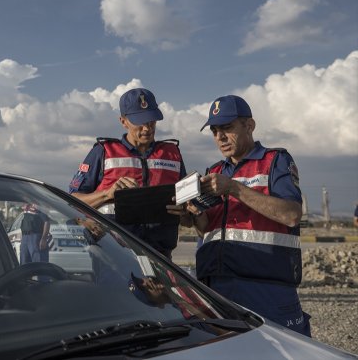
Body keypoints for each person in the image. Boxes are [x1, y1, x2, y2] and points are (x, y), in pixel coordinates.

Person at [169, 95, 311, 336]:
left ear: (249, 126)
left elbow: (291, 215)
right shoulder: (213, 171)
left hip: (266, 289)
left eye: (227, 128)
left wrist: (234, 188)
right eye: (214, 131)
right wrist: (191, 215)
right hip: (216, 289)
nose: (220, 137)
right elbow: (207, 231)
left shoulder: (275, 161)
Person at [69, 88, 186, 259]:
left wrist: (185, 209)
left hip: (160, 257)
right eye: (140, 122)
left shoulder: (172, 154)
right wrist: (106, 195)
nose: (147, 128)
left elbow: (187, 204)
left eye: (152, 121)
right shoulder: (103, 152)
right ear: (123, 121)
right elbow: (72, 201)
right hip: (112, 257)